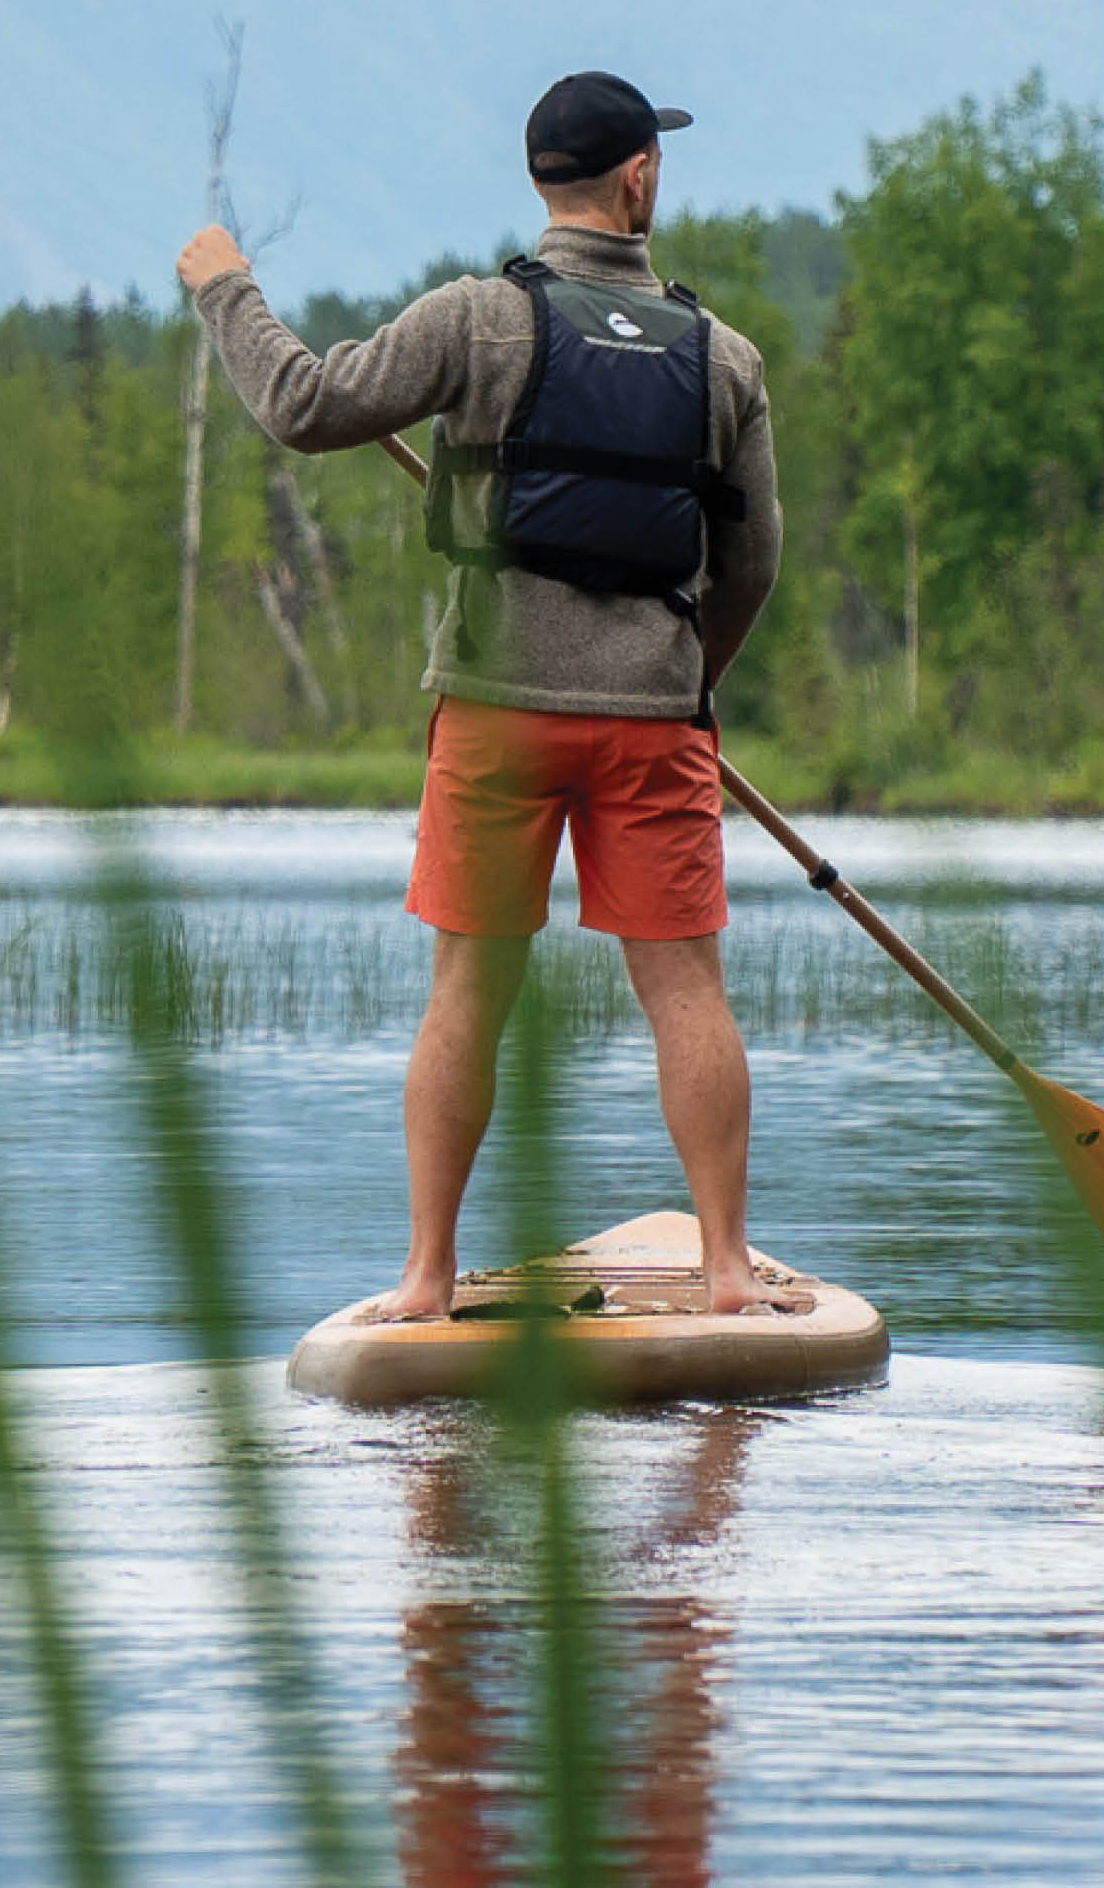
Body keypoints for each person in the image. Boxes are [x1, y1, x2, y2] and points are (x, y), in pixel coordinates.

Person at [176, 70, 784, 1319]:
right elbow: (754, 562)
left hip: (497, 710)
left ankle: (425, 1277)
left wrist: (225, 287)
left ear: (539, 183)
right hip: (653, 722)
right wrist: (685, 689)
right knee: (687, 991)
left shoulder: (474, 321)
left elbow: (302, 406)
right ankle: (726, 1266)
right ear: (641, 178)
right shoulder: (726, 358)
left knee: (467, 988)